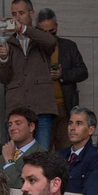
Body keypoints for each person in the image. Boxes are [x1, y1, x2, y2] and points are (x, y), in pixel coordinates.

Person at [0, 0, 61, 151]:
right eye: (14, 14)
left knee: (42, 153)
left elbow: (51, 42)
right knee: (18, 154)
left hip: (41, 107)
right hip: (16, 107)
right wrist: (3, 58)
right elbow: (3, 78)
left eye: (21, 13)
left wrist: (22, 29)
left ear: (31, 14)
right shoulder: (8, 40)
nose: (17, 17)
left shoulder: (40, 37)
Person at [35, 8, 89, 150]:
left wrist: (62, 74)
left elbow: (83, 71)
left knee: (66, 150)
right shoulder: (33, 49)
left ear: (57, 27)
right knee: (43, 153)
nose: (48, 36)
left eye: (51, 32)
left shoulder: (68, 46)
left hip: (65, 108)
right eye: (43, 32)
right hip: (41, 108)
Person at [58, 106, 98, 195]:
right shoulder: (59, 155)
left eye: (78, 123)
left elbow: (88, 194)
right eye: (70, 123)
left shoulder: (96, 157)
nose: (72, 128)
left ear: (91, 130)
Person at [0, 107, 41, 188]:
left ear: (31, 127)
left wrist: (9, 162)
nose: (12, 128)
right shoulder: (1, 158)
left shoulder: (42, 155)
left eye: (18, 123)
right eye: (10, 124)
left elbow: (25, 187)